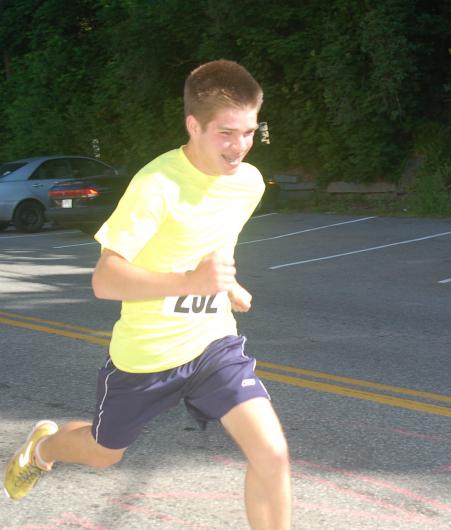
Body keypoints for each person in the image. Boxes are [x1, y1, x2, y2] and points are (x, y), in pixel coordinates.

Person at [3, 59, 291, 530]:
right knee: (103, 453)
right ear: (193, 125)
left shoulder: (248, 183)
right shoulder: (156, 186)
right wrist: (190, 283)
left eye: (249, 132)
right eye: (225, 133)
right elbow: (105, 279)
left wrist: (227, 284)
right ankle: (43, 447)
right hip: (146, 358)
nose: (239, 146)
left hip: (212, 344)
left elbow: (214, 237)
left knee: (272, 453)